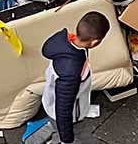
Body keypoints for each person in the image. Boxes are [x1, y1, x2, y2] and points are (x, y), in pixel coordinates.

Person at [42, 12, 110, 144]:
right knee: (75, 136)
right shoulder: (71, 72)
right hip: (69, 115)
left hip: (50, 102)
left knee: (58, 130)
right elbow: (63, 109)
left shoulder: (63, 41)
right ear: (94, 42)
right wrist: (67, 140)